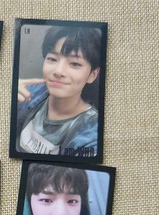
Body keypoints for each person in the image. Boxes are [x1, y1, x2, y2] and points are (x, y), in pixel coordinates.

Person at [16, 26, 101, 157]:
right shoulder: (31, 92)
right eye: (52, 59)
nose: (58, 71)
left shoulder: (92, 135)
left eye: (75, 64)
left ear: (92, 75)